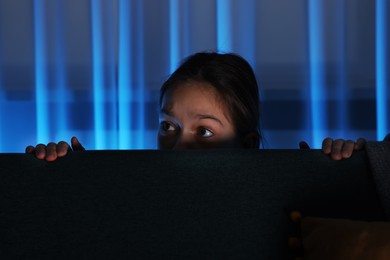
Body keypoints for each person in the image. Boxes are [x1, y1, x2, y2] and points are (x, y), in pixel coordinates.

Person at [25, 52, 366, 161]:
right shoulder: (129, 195)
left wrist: (343, 167)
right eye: (168, 126)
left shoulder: (277, 202)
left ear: (246, 145)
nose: (178, 144)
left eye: (204, 131)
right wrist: (65, 180)